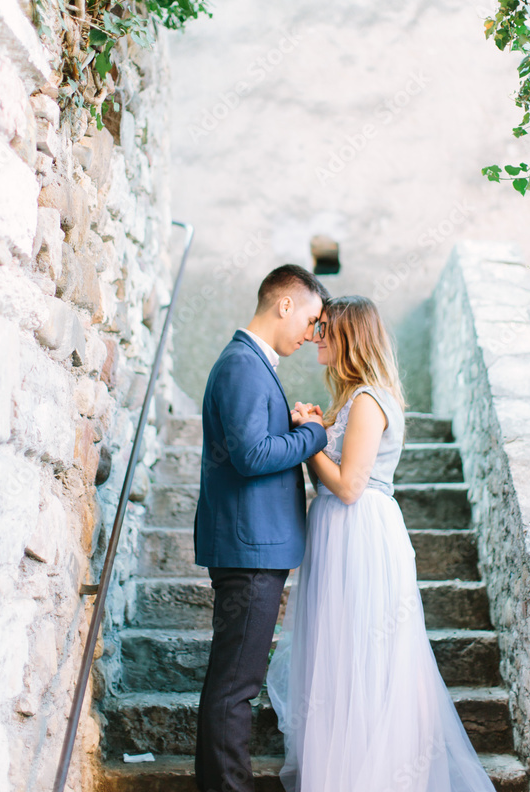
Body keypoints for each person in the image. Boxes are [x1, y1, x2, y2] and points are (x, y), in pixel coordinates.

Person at [266, 295, 497, 792]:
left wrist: (308, 439)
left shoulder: (369, 400)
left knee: (362, 655)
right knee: (336, 655)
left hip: (360, 533)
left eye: (325, 328)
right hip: (336, 533)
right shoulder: (350, 401)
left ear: (350, 337)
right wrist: (315, 426)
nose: (315, 335)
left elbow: (349, 486)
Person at [193, 264, 330, 792]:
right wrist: (314, 435)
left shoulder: (249, 363)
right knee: (236, 688)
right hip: (251, 549)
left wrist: (296, 429)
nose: (312, 333)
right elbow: (252, 455)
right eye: (312, 319)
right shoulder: (244, 365)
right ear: (285, 304)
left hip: (252, 545)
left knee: (231, 683)